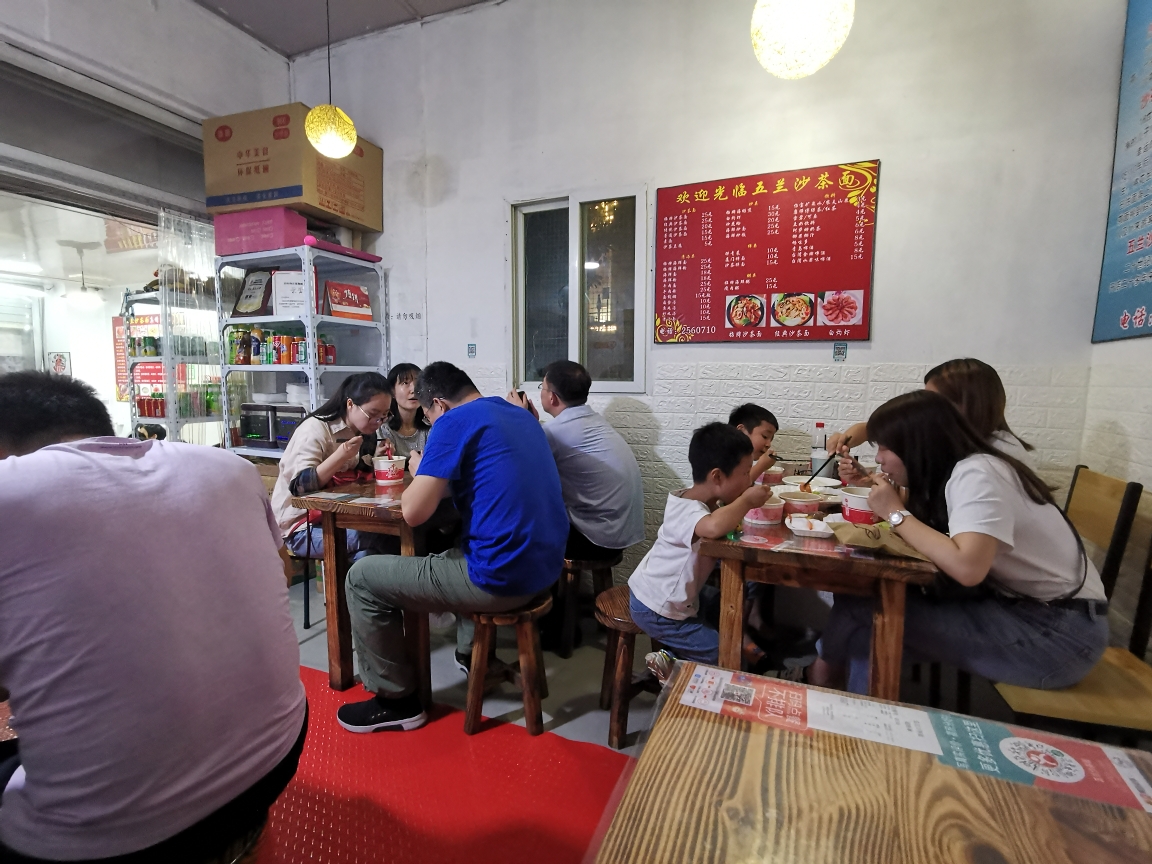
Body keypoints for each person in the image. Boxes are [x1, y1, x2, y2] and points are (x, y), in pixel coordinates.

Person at [0, 372, 306, 863]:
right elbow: (282, 572)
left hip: (110, 830)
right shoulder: (229, 467)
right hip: (279, 755)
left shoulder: (11, 492)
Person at [811, 390, 1107, 695]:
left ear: (918, 444)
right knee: (865, 629)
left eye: (885, 447)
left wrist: (895, 513)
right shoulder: (966, 468)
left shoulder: (978, 474)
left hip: (1057, 634)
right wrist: (891, 499)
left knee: (864, 608)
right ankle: (846, 707)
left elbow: (967, 568)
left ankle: (820, 677)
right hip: (1026, 612)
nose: (878, 458)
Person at [336, 362, 568, 733]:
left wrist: (421, 468)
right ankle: (467, 652)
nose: (430, 420)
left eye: (428, 414)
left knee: (361, 577)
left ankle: (395, 700)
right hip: (546, 570)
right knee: (459, 541)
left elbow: (412, 513)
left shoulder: (453, 422)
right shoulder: (518, 414)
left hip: (501, 580)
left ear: (439, 405)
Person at [628, 423, 771, 677]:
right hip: (657, 607)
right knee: (726, 656)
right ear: (717, 477)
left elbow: (721, 516)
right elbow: (713, 527)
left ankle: (680, 653)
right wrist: (747, 500)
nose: (748, 480)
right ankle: (672, 660)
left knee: (726, 603)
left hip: (671, 596)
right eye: (745, 473)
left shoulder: (700, 499)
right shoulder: (688, 510)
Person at [506, 360, 644, 560]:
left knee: (516, 518)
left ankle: (535, 582)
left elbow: (519, 467)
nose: (541, 392)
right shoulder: (593, 421)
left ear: (552, 397)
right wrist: (531, 425)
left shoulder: (554, 433)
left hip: (594, 540)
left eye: (542, 387)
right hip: (619, 531)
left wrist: (518, 417)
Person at [830, 358, 1033, 485]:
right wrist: (867, 481)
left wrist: (894, 512)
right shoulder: (963, 441)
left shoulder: (985, 466)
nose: (925, 408)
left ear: (970, 404)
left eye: (933, 401)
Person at [272, 371, 395, 563]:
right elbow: (300, 486)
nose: (378, 422)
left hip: (340, 518)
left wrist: (377, 458)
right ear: (350, 404)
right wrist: (341, 455)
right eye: (373, 414)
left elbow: (357, 475)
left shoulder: (364, 431)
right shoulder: (315, 429)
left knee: (371, 552)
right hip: (301, 527)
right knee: (381, 537)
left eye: (384, 415)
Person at [379, 362, 430, 461]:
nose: (414, 390)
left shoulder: (430, 426)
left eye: (418, 383)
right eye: (405, 383)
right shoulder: (383, 427)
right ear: (392, 391)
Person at [727, 403, 779, 483]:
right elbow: (734, 486)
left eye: (771, 439)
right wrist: (761, 466)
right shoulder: (722, 455)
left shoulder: (744, 459)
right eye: (765, 436)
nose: (769, 444)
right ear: (741, 431)